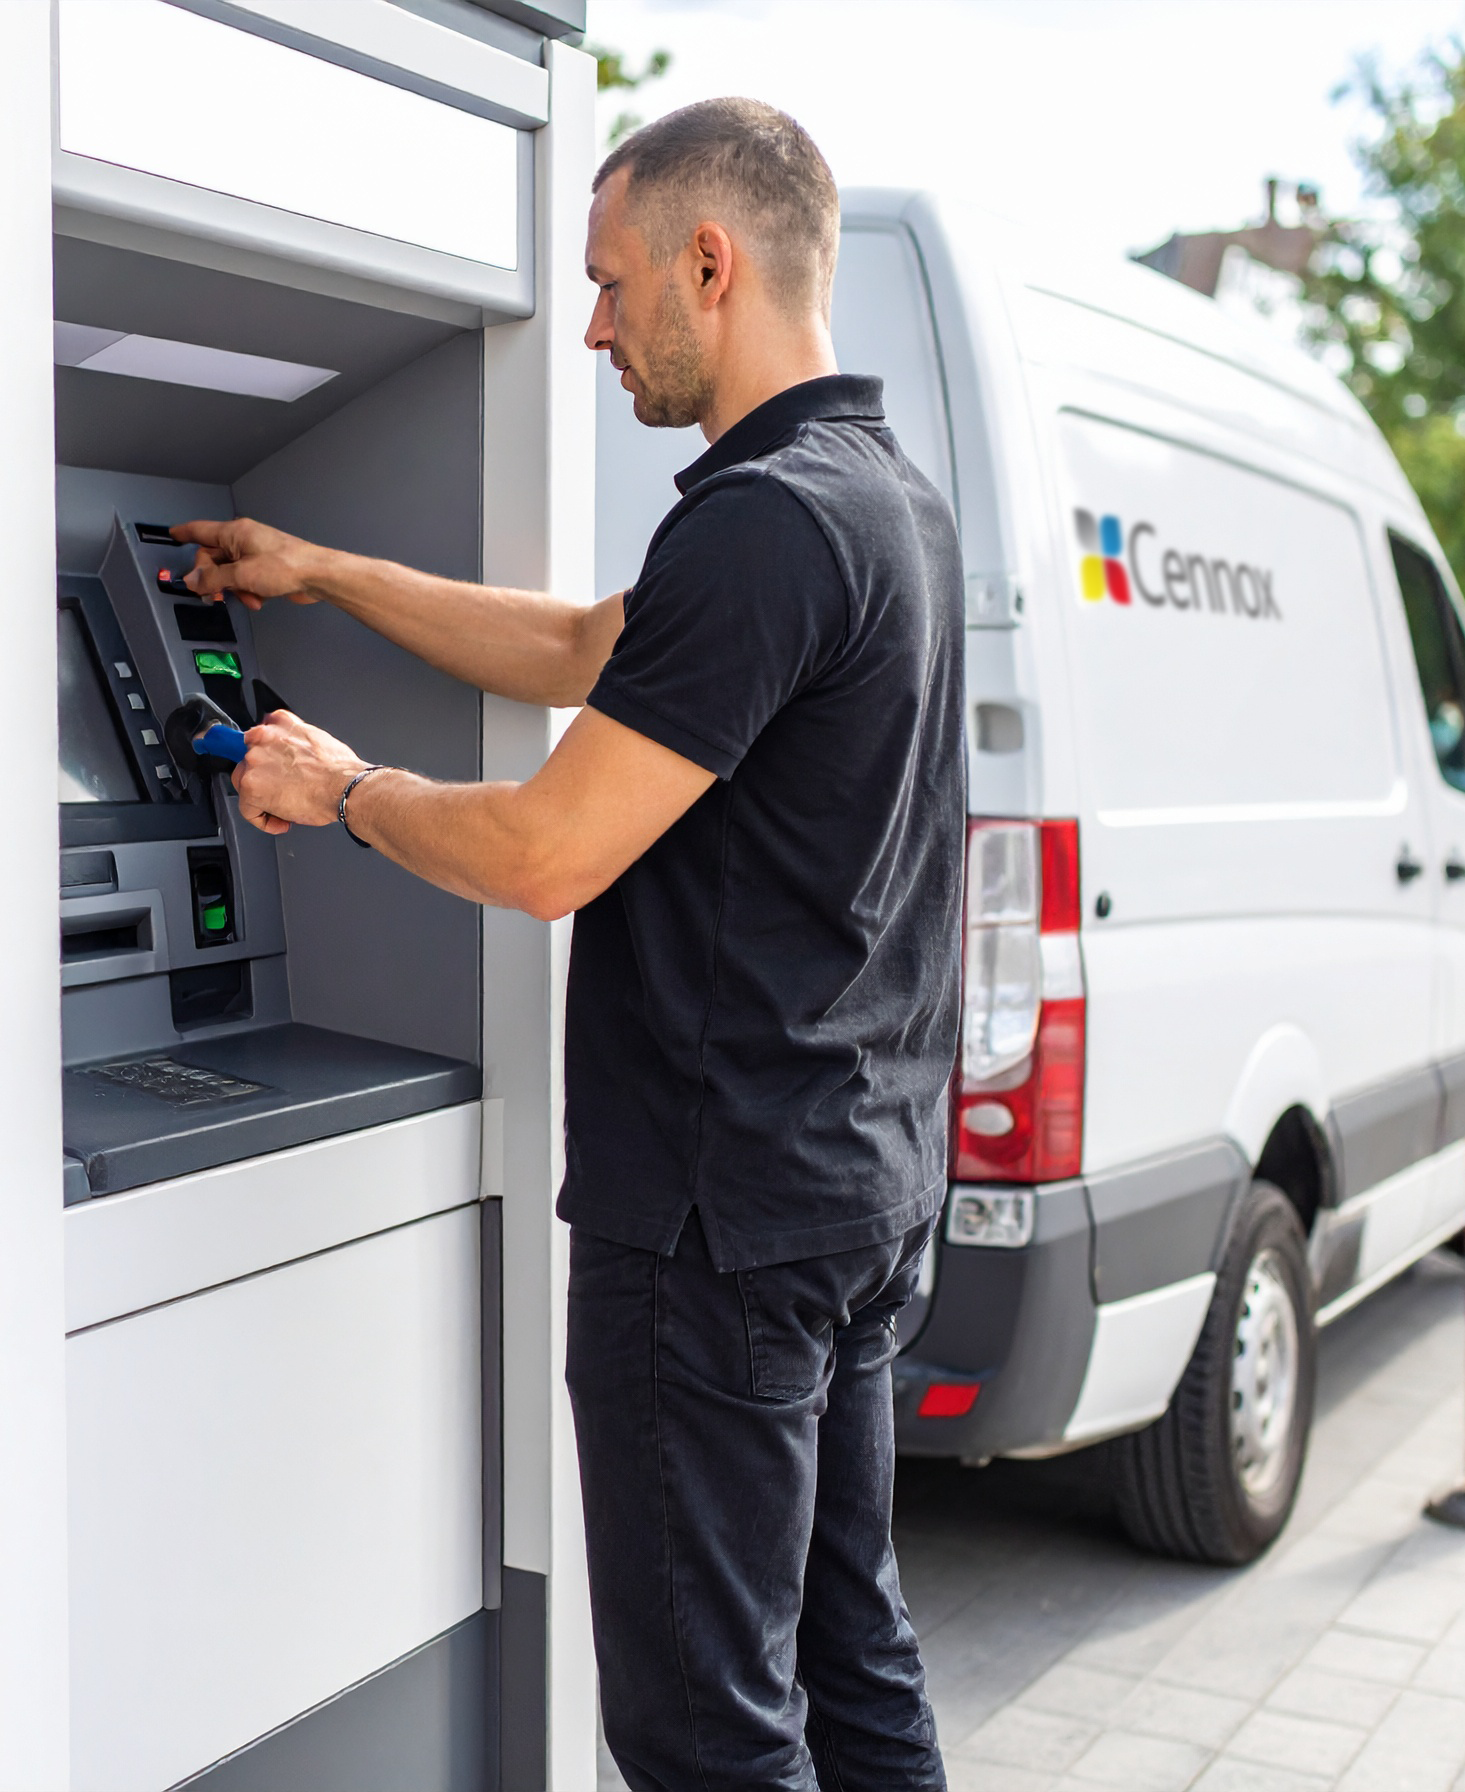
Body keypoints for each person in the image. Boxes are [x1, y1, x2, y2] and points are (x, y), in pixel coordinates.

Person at [172, 97, 963, 1792]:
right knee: (854, 1661)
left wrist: (346, 786)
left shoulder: (767, 525)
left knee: (703, 1732)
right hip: (847, 1193)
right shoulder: (874, 497)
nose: (593, 324)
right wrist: (320, 570)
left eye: (610, 283)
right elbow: (594, 646)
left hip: (714, 1224)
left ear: (710, 259)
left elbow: (547, 854)